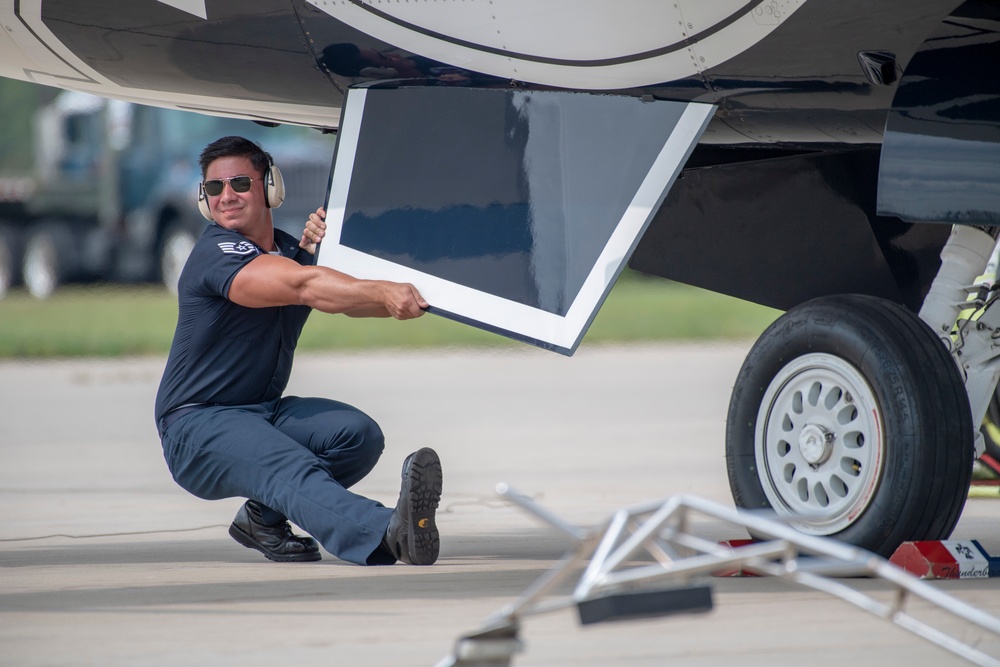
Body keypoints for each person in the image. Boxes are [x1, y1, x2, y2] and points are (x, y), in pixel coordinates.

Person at [154, 135, 442, 566]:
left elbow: (341, 299)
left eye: (240, 183)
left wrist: (408, 298)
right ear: (203, 199)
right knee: (285, 464)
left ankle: (261, 520)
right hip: (197, 423)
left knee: (356, 436)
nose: (226, 196)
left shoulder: (290, 252)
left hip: (260, 411)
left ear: (271, 187)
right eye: (214, 189)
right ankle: (385, 533)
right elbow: (304, 286)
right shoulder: (216, 253)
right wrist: (380, 291)